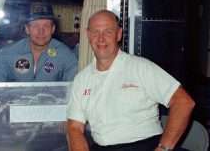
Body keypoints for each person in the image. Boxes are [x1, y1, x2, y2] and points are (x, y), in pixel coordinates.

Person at [66, 10, 195, 151]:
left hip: (145, 145)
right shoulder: (82, 79)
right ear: (88, 35)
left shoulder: (141, 68)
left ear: (119, 34)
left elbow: (183, 102)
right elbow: (74, 128)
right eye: (95, 32)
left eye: (108, 32)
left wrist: (163, 148)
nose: (101, 39)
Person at [0, 2, 78, 82]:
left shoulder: (65, 55)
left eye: (46, 25)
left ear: (53, 29)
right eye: (35, 26)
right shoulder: (7, 55)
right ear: (27, 29)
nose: (41, 31)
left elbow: (74, 90)